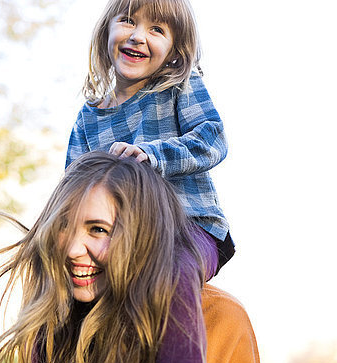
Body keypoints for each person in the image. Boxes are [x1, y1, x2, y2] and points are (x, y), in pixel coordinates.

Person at [0, 152, 213, 363]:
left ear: (140, 237)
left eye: (99, 229)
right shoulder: (54, 312)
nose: (73, 250)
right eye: (63, 226)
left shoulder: (215, 318)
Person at [66, 0, 235, 272]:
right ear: (105, 32)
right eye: (128, 21)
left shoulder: (179, 86)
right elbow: (73, 188)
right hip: (122, 239)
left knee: (163, 277)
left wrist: (153, 155)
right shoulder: (89, 117)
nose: (137, 36)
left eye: (156, 29)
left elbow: (212, 138)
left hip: (188, 228)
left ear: (173, 51)